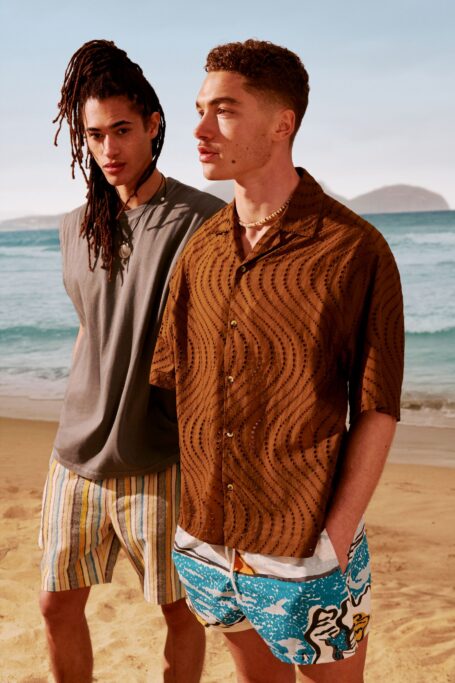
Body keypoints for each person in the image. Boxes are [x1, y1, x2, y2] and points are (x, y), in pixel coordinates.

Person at [150, 39, 404, 683]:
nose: (201, 130)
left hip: (305, 546)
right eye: (200, 110)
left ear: (282, 123)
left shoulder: (354, 251)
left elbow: (376, 406)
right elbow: (174, 381)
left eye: (225, 111)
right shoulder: (199, 250)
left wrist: (334, 540)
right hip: (206, 538)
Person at [38, 39, 224, 683]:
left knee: (182, 612)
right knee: (55, 604)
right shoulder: (74, 227)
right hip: (76, 458)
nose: (109, 149)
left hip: (160, 456)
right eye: (94, 135)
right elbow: (98, 330)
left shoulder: (203, 221)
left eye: (122, 130)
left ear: (154, 125)